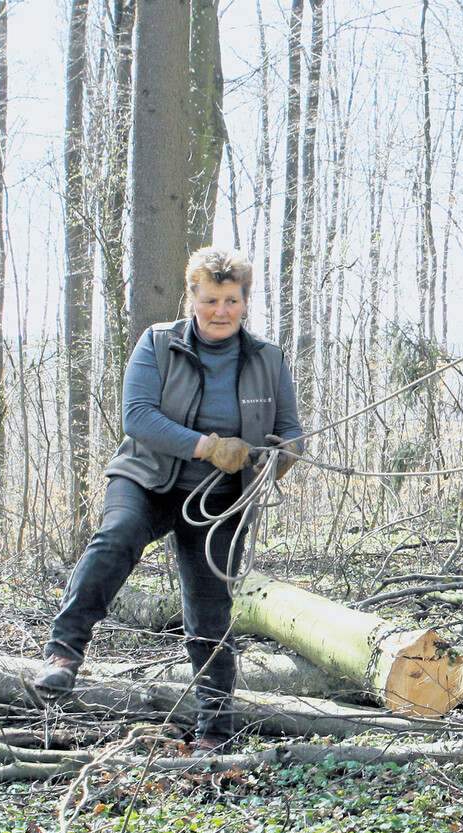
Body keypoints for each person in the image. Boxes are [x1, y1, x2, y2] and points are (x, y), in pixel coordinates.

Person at [35, 246, 303, 757]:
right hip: (147, 479)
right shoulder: (158, 344)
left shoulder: (267, 358)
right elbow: (137, 416)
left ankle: (213, 731)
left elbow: (290, 432)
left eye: (230, 300)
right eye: (209, 300)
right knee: (115, 539)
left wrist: (278, 455)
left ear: (245, 303)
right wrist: (207, 446)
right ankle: (64, 653)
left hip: (219, 500)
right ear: (192, 299)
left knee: (210, 610)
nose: (220, 311)